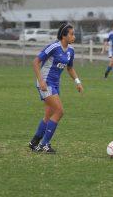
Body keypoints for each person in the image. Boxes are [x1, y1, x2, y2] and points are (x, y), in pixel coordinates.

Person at [28, 23, 84, 153]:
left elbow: (70, 68)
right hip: (46, 83)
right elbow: (36, 62)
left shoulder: (71, 50)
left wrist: (77, 81)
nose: (73, 36)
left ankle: (34, 142)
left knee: (49, 114)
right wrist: (41, 80)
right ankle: (44, 144)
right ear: (64, 36)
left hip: (55, 84)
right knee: (59, 111)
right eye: (71, 34)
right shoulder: (54, 47)